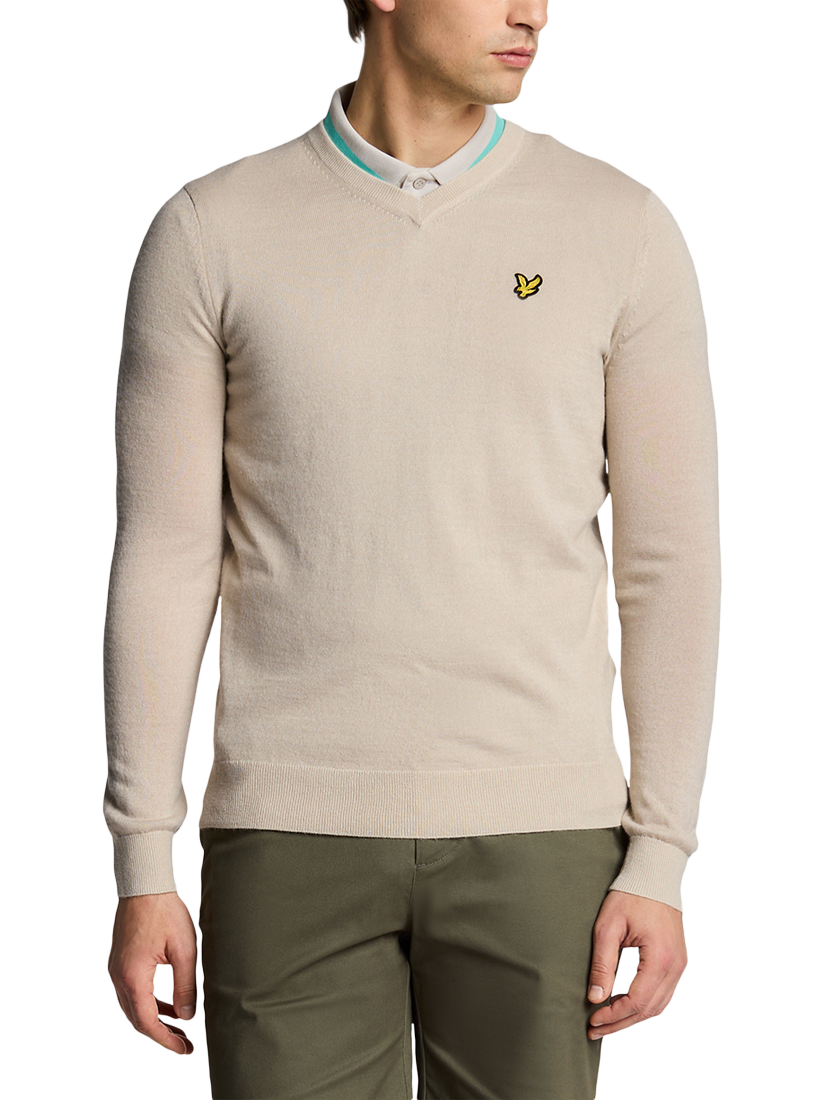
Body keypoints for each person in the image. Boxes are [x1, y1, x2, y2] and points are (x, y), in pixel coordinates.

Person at [104, 0, 721, 1097]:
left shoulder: (617, 226)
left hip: (543, 831)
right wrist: (142, 858)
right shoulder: (213, 229)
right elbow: (165, 555)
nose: (534, 12)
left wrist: (661, 854)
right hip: (288, 832)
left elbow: (668, 561)